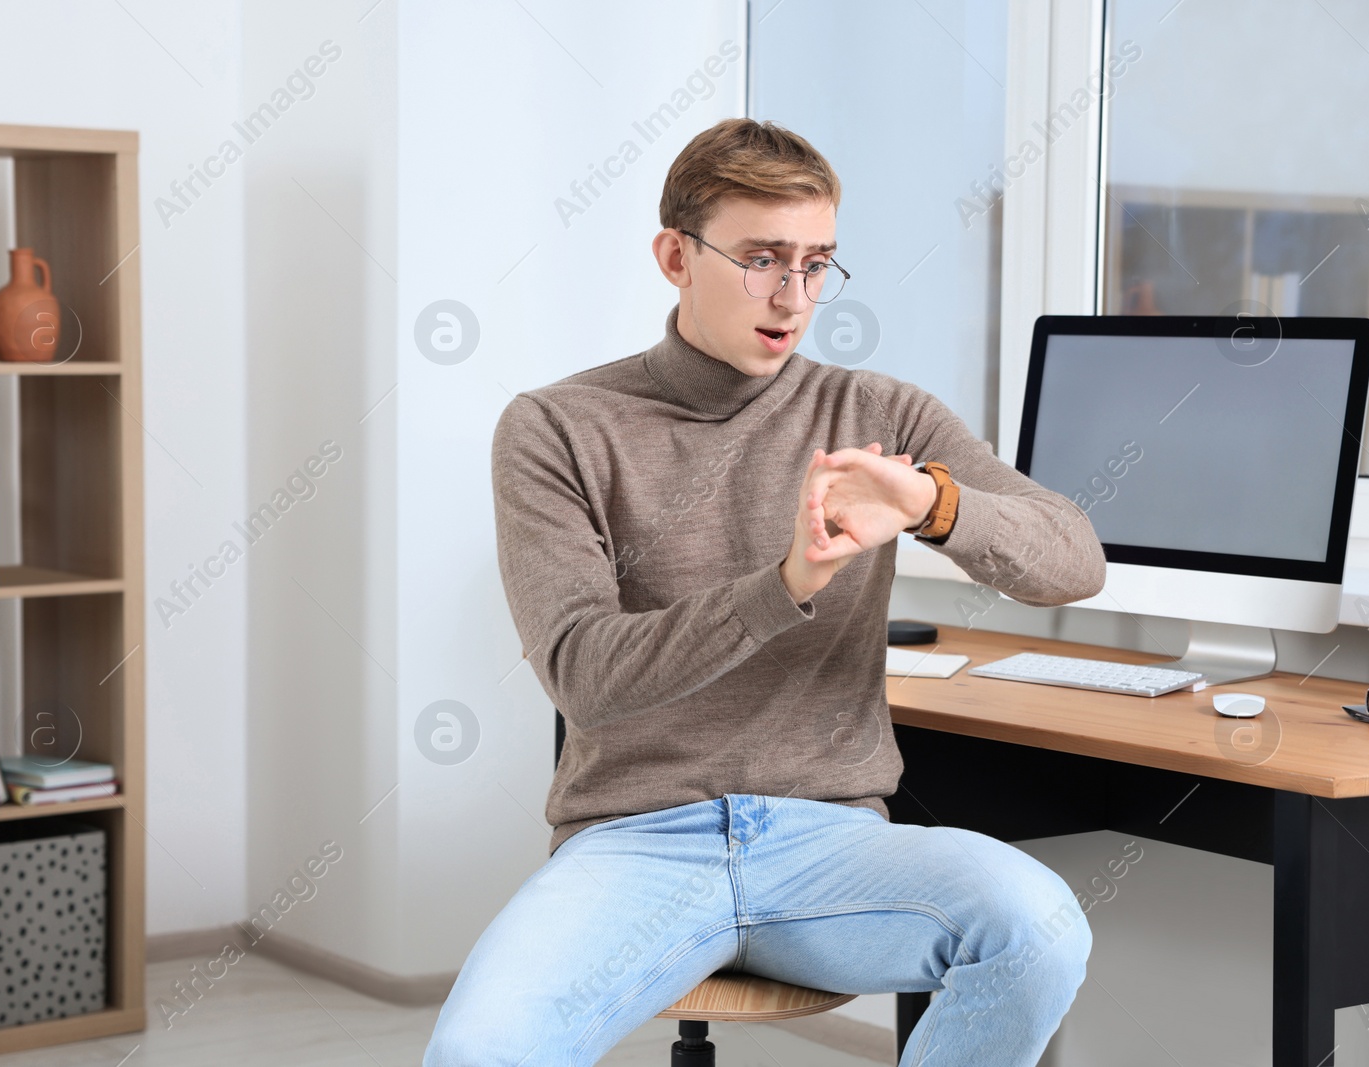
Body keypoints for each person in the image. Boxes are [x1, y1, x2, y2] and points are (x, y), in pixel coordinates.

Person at [424, 117, 1106, 1067]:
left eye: (818, 262)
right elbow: (584, 674)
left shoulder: (882, 413)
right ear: (674, 255)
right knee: (477, 1051)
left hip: (832, 844)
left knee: (1036, 926)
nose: (794, 296)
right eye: (761, 259)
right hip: (633, 844)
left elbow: (1076, 556)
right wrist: (786, 584)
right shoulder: (557, 427)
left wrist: (933, 502)